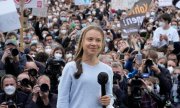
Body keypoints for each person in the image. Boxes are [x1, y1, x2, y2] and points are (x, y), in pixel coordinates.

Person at [57, 25, 113, 108]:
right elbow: (62, 100)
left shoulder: (107, 69)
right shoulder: (70, 67)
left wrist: (108, 101)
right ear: (82, 41)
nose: (94, 43)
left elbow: (109, 97)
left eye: (98, 40)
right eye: (90, 39)